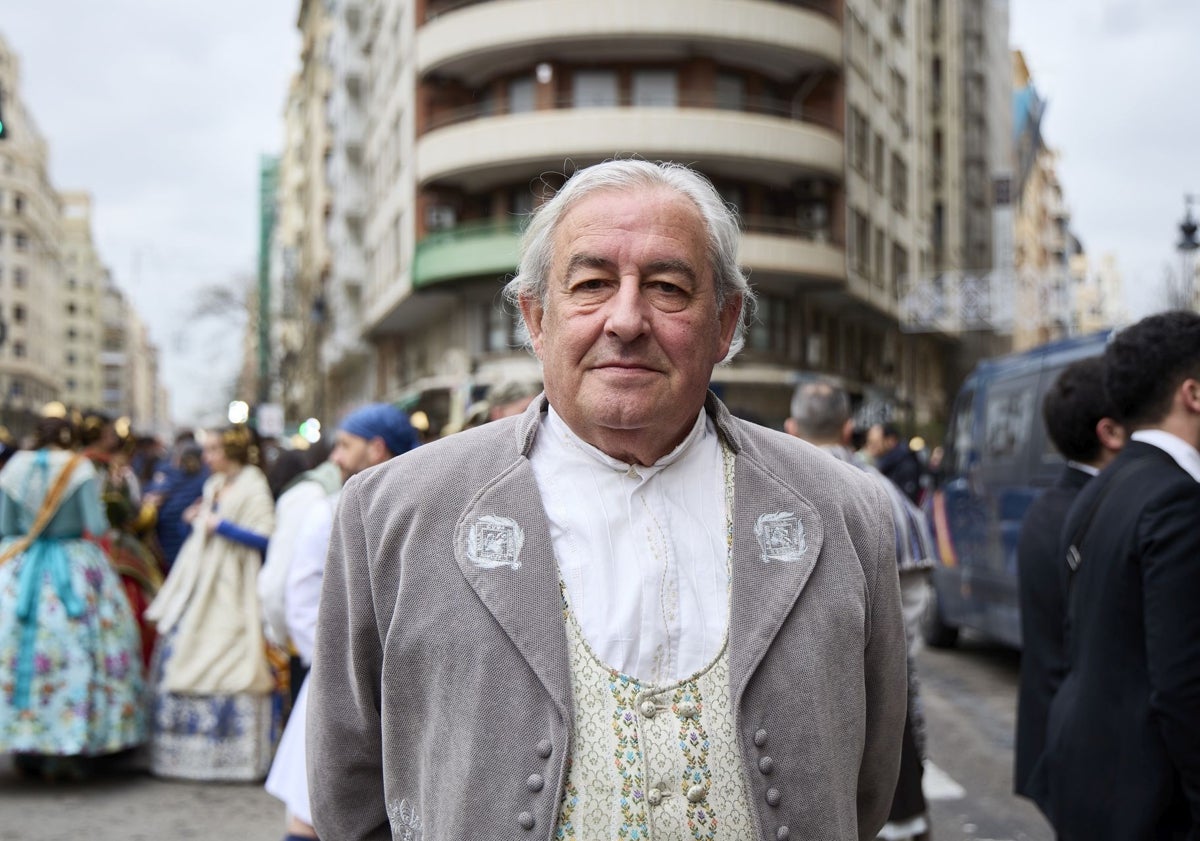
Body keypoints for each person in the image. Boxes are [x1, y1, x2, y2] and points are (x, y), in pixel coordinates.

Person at [307, 159, 907, 841]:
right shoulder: (391, 514)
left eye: (668, 287)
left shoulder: (847, 513)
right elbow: (348, 792)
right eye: (591, 284)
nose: (626, 319)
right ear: (537, 317)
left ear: (725, 321)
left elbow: (865, 786)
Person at [1030, 311, 1200, 839]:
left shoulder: (1102, 487)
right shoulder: (1177, 498)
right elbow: (1184, 686)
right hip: (1150, 801)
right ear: (1193, 394)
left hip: (1089, 776)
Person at [786, 379, 935, 841]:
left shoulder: (756, 492)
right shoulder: (885, 495)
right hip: (881, 700)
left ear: (790, 428)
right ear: (849, 429)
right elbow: (913, 604)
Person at [265, 403, 419, 841]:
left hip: (408, 691)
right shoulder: (328, 508)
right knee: (316, 809)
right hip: (342, 682)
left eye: (345, 445)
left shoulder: (339, 509)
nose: (335, 456)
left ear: (376, 448)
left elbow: (294, 596)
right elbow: (303, 602)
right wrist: (338, 669)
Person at [0, 414, 146, 780]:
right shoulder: (79, 469)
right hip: (73, 566)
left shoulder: (14, 467)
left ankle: (25, 745)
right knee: (81, 652)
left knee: (16, 655)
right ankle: (68, 747)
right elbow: (95, 526)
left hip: (21, 566)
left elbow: (6, 527)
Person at [1013, 356, 1124, 808]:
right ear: (1111, 431)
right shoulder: (1103, 513)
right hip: (1093, 752)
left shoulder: (1048, 507)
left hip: (1053, 740)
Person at [144, 425, 277, 781]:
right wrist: (198, 520)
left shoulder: (253, 485)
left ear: (232, 451)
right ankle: (185, 753)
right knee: (187, 647)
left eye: (214, 449)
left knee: (227, 653)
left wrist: (220, 526)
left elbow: (266, 538)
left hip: (232, 584)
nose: (207, 457)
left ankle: (230, 752)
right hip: (201, 579)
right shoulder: (214, 484)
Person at [868, 423, 925, 504]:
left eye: (876, 442)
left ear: (890, 440)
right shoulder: (887, 464)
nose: (872, 447)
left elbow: (906, 502)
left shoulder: (906, 465)